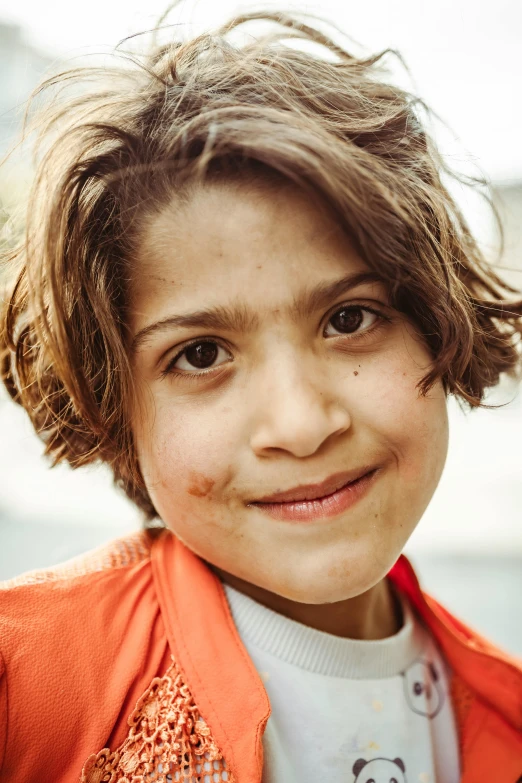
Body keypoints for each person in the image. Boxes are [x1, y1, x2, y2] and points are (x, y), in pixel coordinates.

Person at [0, 6, 521, 782]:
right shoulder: (24, 681)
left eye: (350, 318)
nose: (302, 424)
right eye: (200, 353)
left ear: (437, 322)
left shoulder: (507, 711)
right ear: (115, 408)